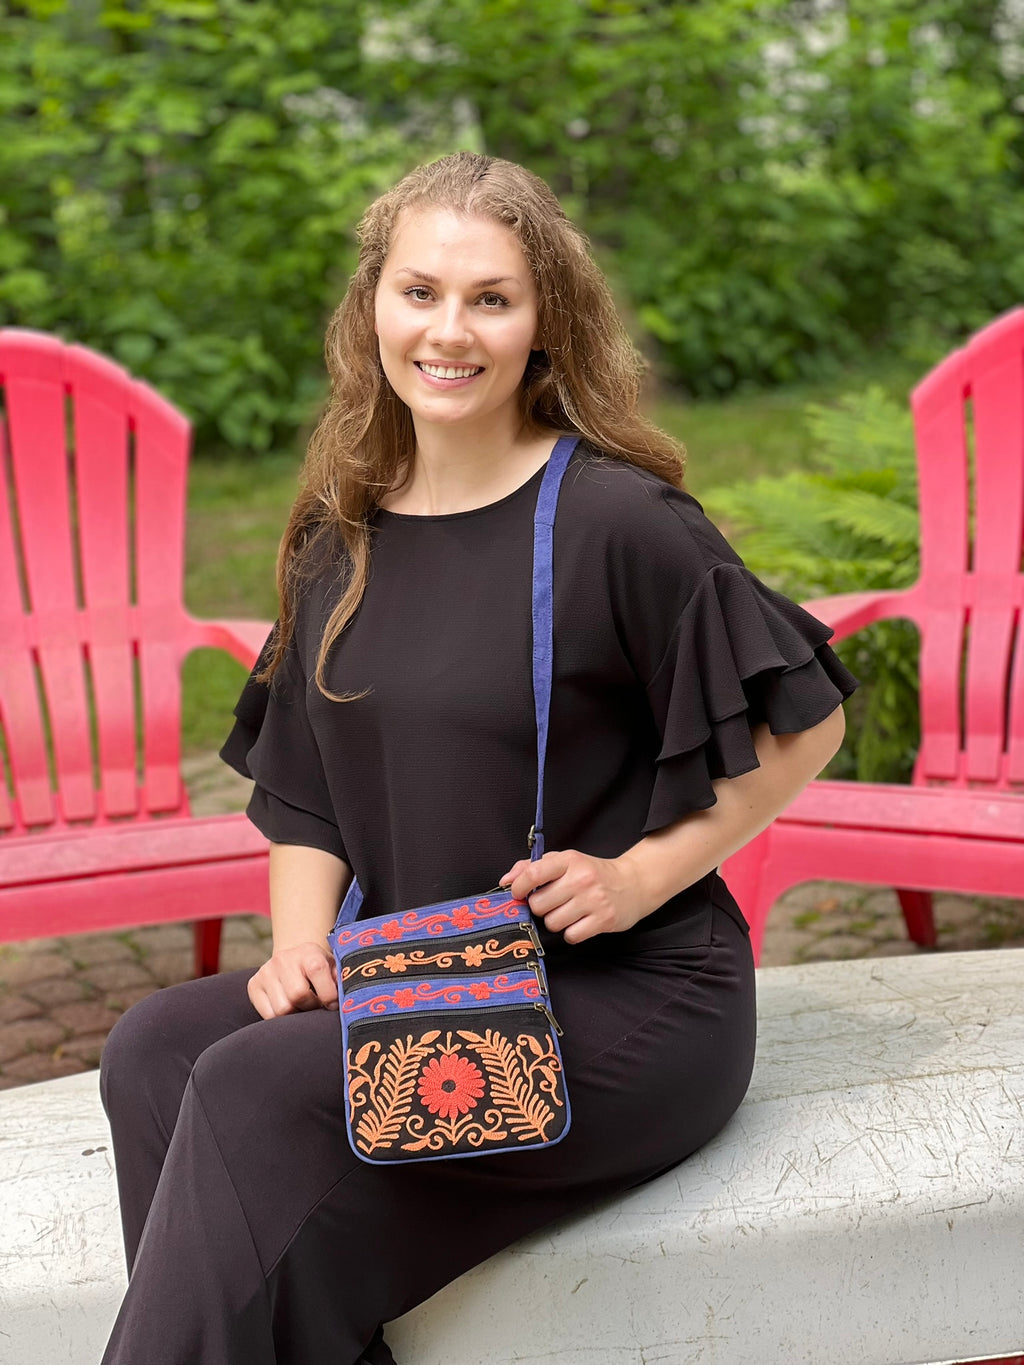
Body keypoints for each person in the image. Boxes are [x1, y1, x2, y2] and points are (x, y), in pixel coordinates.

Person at [99, 150, 855, 1365]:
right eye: (420, 292)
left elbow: (806, 717)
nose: (448, 331)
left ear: (542, 322)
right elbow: (303, 791)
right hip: (423, 976)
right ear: (374, 307)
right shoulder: (340, 534)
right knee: (155, 1052)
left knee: (251, 1091)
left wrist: (639, 876)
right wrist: (301, 948)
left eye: (490, 299)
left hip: (620, 999)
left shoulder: (616, 521)